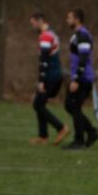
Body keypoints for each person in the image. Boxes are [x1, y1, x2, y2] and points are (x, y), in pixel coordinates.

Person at [28, 12, 69, 145]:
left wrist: (41, 80)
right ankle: (42, 136)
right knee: (39, 104)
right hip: (54, 74)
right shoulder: (51, 33)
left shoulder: (45, 35)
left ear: (40, 21)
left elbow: (44, 60)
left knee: (38, 105)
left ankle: (61, 128)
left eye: (33, 23)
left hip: (50, 75)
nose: (32, 26)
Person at [62, 8, 98, 150]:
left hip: (83, 78)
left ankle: (79, 141)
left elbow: (83, 58)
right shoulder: (77, 35)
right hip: (79, 77)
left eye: (69, 18)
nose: (67, 20)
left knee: (74, 107)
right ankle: (91, 132)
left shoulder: (83, 35)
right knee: (70, 106)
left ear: (77, 19)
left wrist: (76, 79)